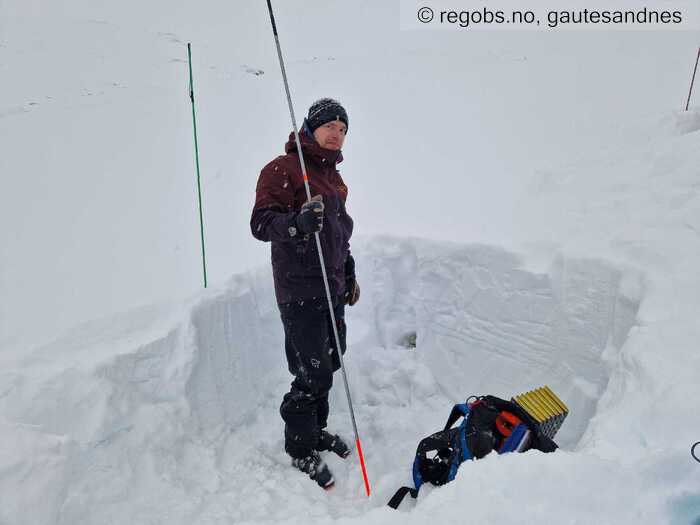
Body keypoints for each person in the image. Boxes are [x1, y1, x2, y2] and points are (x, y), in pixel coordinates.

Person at [250, 98, 360, 489]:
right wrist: (296, 224)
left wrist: (347, 272)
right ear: (311, 128)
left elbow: (339, 233)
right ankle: (300, 447)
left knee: (331, 362)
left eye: (343, 129)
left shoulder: (333, 179)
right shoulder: (282, 170)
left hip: (331, 287)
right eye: (329, 125)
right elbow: (261, 223)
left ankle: (317, 431)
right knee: (311, 371)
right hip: (299, 291)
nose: (336, 133)